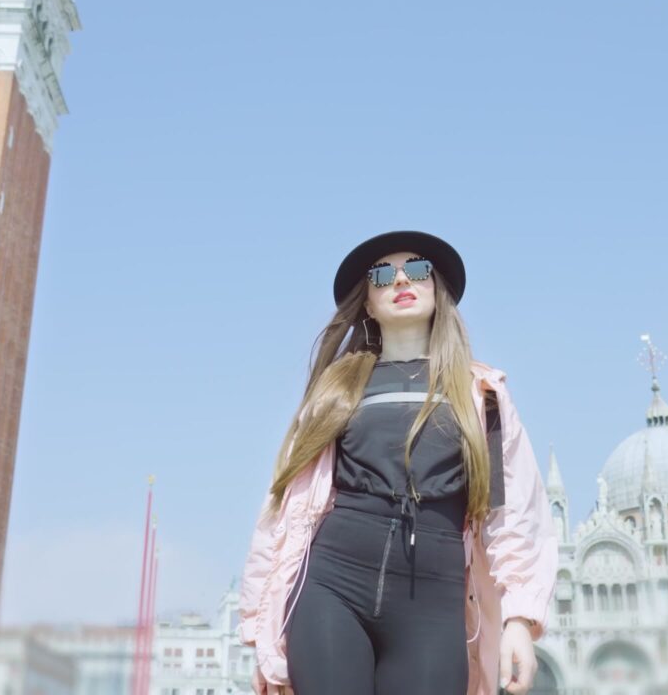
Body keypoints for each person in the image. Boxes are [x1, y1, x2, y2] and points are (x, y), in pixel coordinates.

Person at [236, 231, 558, 695]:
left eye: (419, 269)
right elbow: (282, 511)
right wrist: (263, 633)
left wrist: (520, 620)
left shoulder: (482, 396)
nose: (401, 279)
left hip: (433, 602)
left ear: (437, 288)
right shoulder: (335, 391)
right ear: (368, 302)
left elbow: (513, 516)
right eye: (383, 274)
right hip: (330, 588)